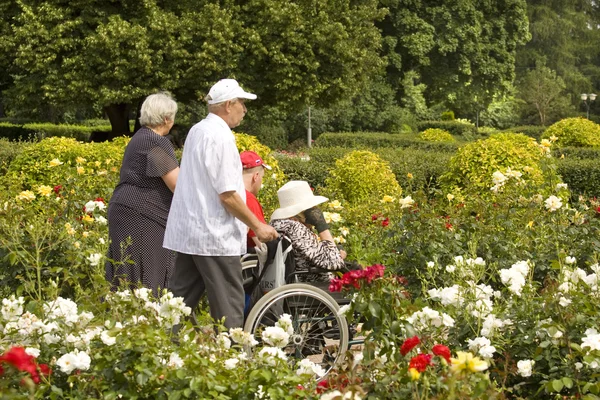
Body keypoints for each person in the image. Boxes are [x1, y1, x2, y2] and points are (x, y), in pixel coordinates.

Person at [164, 79, 278, 330]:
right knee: (229, 307)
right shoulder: (222, 137)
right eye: (242, 104)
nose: (244, 110)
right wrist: (257, 225)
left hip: (191, 233)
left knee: (177, 304)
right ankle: (233, 361)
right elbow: (227, 195)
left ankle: (157, 354)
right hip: (214, 236)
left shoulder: (197, 130)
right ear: (229, 105)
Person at [106, 92, 180, 297]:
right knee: (145, 273)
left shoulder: (140, 137)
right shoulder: (156, 142)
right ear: (166, 119)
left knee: (124, 273)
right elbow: (176, 183)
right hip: (143, 214)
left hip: (126, 209)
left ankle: (122, 319)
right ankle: (143, 320)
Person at [270, 180, 347, 282]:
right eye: (311, 208)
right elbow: (334, 262)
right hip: (312, 284)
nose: (315, 209)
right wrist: (321, 225)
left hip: (291, 280)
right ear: (303, 211)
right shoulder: (296, 228)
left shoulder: (277, 224)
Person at [240, 150, 271, 249]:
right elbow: (262, 243)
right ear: (256, 176)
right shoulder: (249, 199)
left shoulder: (233, 195)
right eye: (262, 177)